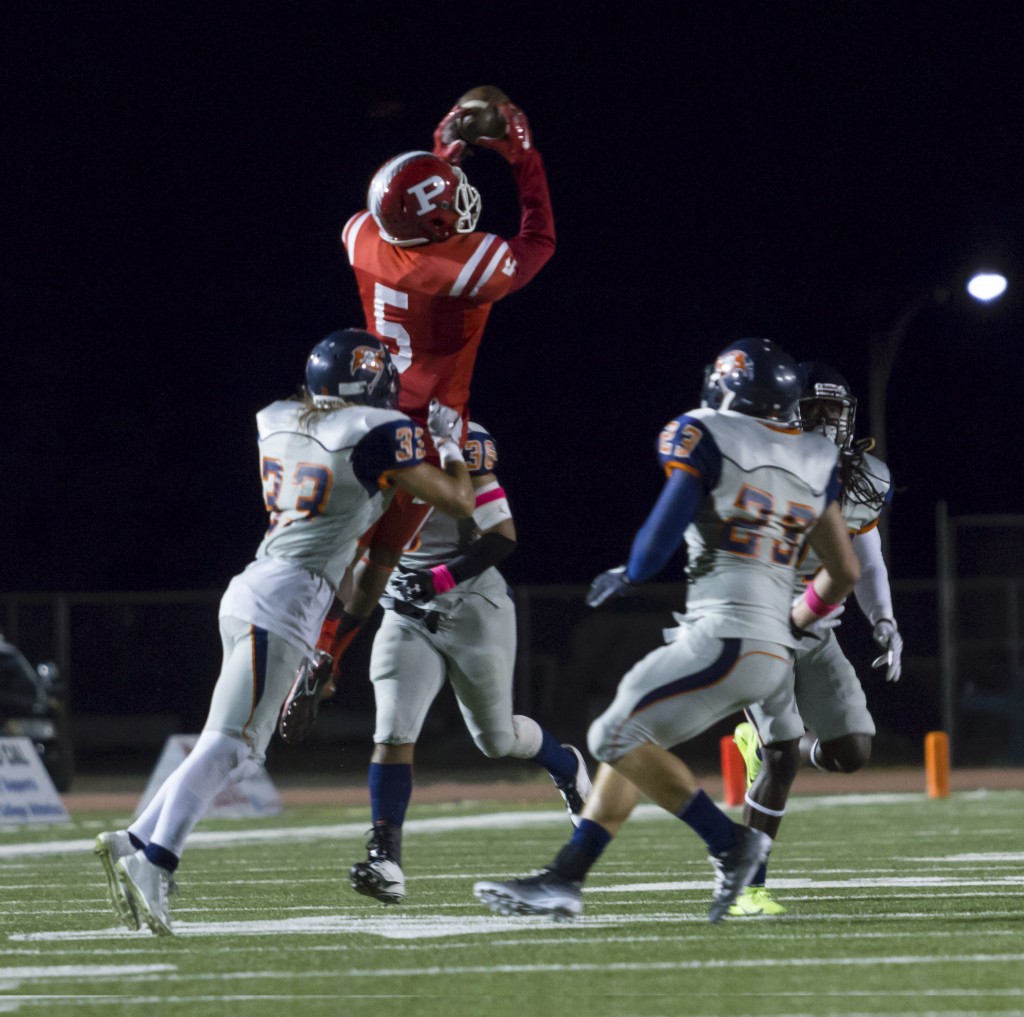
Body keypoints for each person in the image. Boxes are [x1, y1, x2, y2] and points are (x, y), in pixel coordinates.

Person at [93, 328, 475, 936]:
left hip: (254, 586)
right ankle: (156, 861)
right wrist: (451, 447)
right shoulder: (376, 433)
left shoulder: (277, 417)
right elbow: (456, 500)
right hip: (288, 598)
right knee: (232, 745)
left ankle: (136, 838)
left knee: (232, 740)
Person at [472, 338, 861, 924]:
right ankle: (565, 878)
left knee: (611, 733)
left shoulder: (707, 432)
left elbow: (661, 533)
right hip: (765, 644)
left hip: (724, 634)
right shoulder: (815, 457)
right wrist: (792, 621)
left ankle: (732, 847)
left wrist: (630, 571)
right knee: (632, 741)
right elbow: (844, 570)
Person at [278, 91, 556, 738]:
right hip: (428, 432)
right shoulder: (470, 267)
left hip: (359, 417)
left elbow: (404, 215)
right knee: (379, 562)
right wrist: (522, 156)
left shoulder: (361, 235)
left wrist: (443, 153)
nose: (460, 194)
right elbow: (538, 240)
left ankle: (309, 644)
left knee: (336, 551)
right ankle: (331, 651)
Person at [347, 420, 592, 905]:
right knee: (393, 731)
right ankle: (386, 858)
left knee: (496, 740)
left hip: (471, 606)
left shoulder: (457, 439)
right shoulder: (355, 438)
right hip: (406, 613)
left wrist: (437, 579)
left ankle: (567, 767)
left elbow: (502, 536)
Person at [730, 361, 903, 916]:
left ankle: (767, 744)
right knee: (781, 760)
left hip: (817, 628)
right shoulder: (756, 467)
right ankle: (746, 888)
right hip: (759, 622)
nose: (827, 423)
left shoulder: (863, 478)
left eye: (835, 412)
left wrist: (885, 620)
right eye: (815, 410)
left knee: (851, 751)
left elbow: (867, 559)